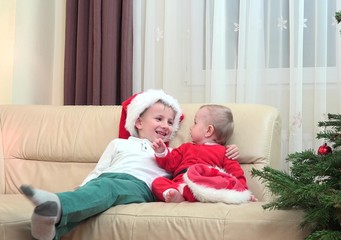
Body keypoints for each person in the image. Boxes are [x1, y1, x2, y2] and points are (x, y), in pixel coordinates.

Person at [19, 90, 240, 240]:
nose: (166, 125)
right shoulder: (119, 144)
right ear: (138, 122)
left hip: (140, 186)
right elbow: (100, 170)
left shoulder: (173, 152)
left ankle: (56, 204)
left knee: (109, 188)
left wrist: (228, 150)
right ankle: (50, 227)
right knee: (100, 189)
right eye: (159, 119)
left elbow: (199, 163)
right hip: (107, 180)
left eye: (171, 122)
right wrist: (84, 187)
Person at [152, 104, 256, 204]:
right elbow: (170, 164)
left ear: (209, 130)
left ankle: (187, 194)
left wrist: (244, 193)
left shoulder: (225, 153)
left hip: (204, 184)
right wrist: (161, 151)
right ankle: (179, 194)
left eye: (195, 123)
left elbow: (236, 175)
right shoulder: (185, 147)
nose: (191, 127)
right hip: (180, 184)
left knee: (216, 183)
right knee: (157, 182)